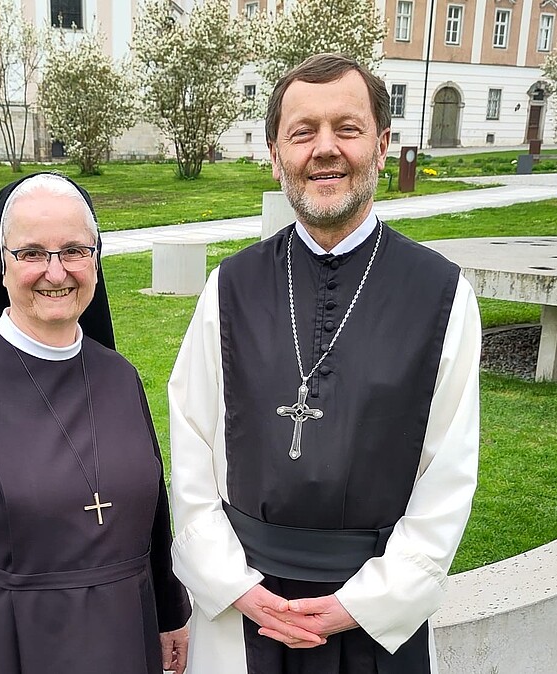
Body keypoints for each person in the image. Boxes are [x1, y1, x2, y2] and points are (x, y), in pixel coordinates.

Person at [168, 53, 481, 674]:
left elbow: (449, 475)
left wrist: (364, 603)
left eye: (348, 128)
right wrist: (235, 588)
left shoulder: (441, 296)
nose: (325, 149)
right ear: (275, 151)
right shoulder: (230, 288)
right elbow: (191, 449)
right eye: (302, 131)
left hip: (372, 614)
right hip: (244, 610)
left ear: (383, 143)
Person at [0, 172, 191, 674]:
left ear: (96, 258)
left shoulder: (120, 377)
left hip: (127, 643)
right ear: (1, 266)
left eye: (74, 250)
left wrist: (170, 612)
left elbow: (151, 516)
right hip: (14, 651)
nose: (56, 272)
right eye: (32, 253)